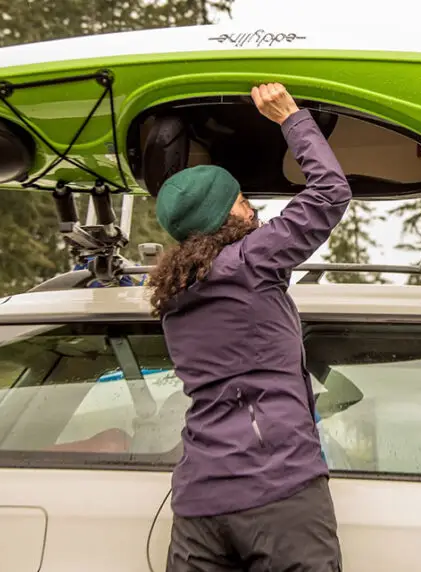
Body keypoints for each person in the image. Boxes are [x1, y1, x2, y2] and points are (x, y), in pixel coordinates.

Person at [148, 82, 351, 572]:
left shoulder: (173, 295)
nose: (253, 210)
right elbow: (329, 193)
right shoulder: (249, 261)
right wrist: (290, 118)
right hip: (275, 489)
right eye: (242, 202)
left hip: (199, 503)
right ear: (223, 218)